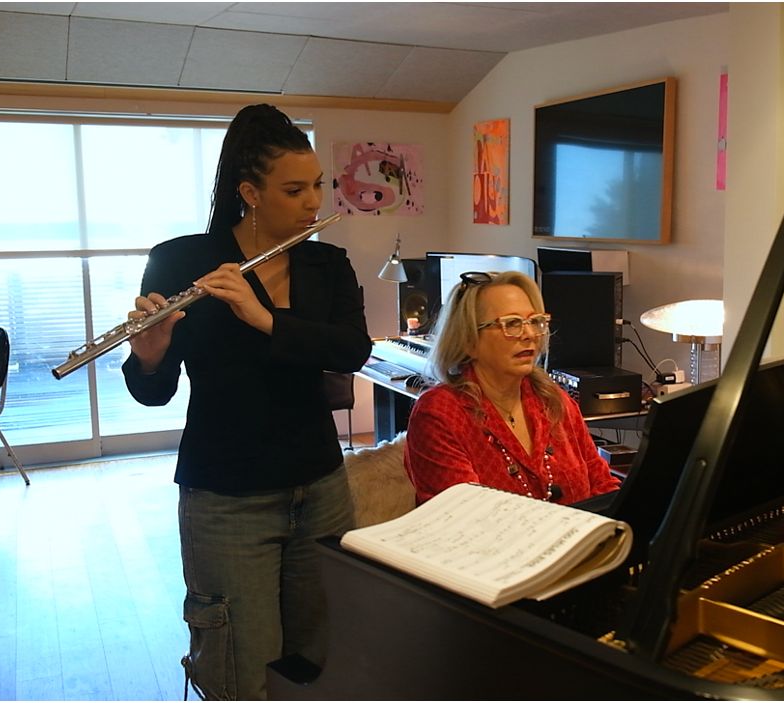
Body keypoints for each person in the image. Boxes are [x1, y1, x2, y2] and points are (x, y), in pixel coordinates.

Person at [123, 104, 371, 700]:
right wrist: (149, 354)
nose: (313, 202)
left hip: (320, 486)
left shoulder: (327, 263)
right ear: (250, 194)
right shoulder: (182, 260)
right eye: (294, 190)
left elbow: (352, 349)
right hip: (226, 496)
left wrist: (264, 318)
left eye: (317, 186)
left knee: (320, 660)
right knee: (241, 671)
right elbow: (153, 392)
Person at [404, 271, 620, 505]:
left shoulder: (554, 401)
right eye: (512, 324)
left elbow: (603, 486)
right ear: (468, 341)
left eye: (535, 322)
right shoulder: (439, 414)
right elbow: (464, 515)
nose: (529, 335)